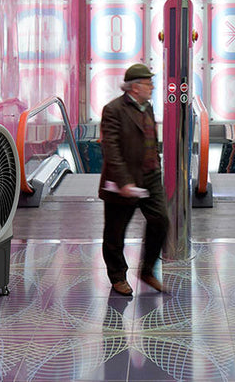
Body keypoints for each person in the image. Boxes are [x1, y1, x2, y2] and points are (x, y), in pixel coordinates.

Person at [99, 63, 170, 296]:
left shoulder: (147, 107)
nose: (152, 87)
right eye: (148, 84)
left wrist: (156, 163)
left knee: (160, 221)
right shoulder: (113, 110)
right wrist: (124, 182)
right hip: (124, 181)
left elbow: (150, 139)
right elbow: (111, 149)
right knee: (115, 232)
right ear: (135, 87)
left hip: (150, 177)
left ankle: (147, 270)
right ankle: (118, 276)